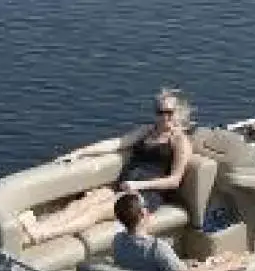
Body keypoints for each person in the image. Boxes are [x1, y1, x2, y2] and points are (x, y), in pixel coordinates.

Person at [16, 88, 194, 246]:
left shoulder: (180, 141)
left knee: (96, 211)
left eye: (168, 112)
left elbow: (174, 181)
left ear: (178, 113)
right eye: (160, 112)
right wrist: (80, 153)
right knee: (82, 203)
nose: (164, 117)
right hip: (123, 185)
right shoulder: (148, 130)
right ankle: (36, 227)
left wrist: (138, 185)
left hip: (145, 195)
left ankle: (41, 235)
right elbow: (116, 143)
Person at [110, 192, 249, 271]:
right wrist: (228, 267)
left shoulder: (118, 241)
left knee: (212, 261)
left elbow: (153, 265)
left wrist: (183, 264)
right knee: (229, 260)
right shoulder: (156, 248)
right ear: (143, 213)